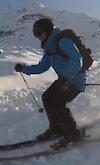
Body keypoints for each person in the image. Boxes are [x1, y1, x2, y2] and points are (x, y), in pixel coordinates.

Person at [15, 18, 87, 148]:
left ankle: (72, 132)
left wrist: (65, 77)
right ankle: (56, 128)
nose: (38, 37)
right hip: (63, 81)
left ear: (47, 31)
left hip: (75, 81)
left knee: (57, 101)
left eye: (39, 34)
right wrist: (24, 68)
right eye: (36, 35)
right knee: (47, 97)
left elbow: (77, 59)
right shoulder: (49, 49)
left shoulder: (63, 41)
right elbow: (42, 67)